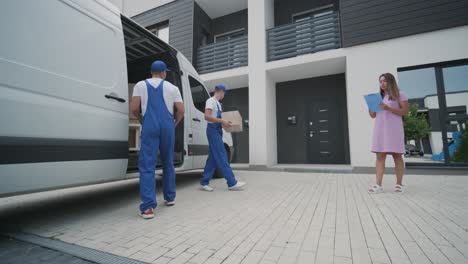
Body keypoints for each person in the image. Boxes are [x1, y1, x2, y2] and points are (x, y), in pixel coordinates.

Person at [130, 60, 185, 219]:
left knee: (147, 164)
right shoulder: (172, 88)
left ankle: (147, 208)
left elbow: (134, 108)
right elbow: (181, 110)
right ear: (163, 73)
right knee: (168, 161)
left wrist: (142, 120)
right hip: (167, 125)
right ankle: (170, 197)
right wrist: (174, 123)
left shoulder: (140, 85)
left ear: (151, 72)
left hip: (150, 124)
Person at [200, 84, 246, 192]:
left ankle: (204, 182)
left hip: (218, 130)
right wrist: (222, 121)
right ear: (220, 92)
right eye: (224, 93)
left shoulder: (218, 104)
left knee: (212, 158)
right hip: (212, 131)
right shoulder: (210, 101)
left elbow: (219, 119)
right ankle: (232, 182)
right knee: (221, 155)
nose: (224, 96)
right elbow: (206, 116)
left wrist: (226, 124)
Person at [368, 73, 409, 194]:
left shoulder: (400, 94)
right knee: (380, 156)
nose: (382, 83)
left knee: (397, 156)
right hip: (380, 129)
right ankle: (378, 185)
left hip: (394, 130)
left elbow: (405, 111)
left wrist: (388, 108)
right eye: (380, 81)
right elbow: (373, 115)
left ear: (391, 81)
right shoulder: (379, 97)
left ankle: (399, 184)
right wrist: (370, 106)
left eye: (385, 81)